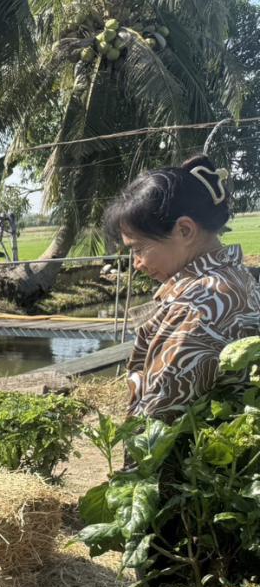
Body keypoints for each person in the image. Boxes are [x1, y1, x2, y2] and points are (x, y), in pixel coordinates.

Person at [105, 154, 260, 421]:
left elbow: (154, 429)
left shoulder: (197, 307)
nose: (137, 264)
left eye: (139, 248)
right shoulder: (234, 276)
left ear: (185, 231)